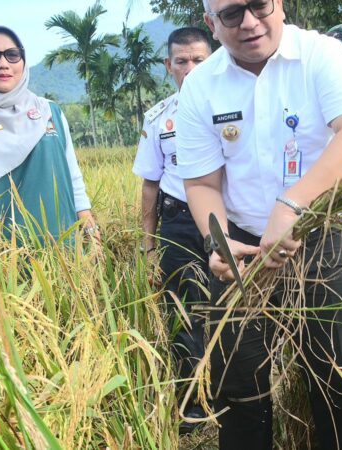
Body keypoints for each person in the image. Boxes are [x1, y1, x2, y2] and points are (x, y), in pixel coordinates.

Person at [177, 0, 342, 448]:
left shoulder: (321, 55)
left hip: (330, 234)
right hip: (244, 249)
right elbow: (201, 183)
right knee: (238, 385)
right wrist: (218, 241)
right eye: (232, 14)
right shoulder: (200, 85)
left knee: (339, 380)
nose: (250, 22)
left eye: (259, 5)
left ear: (281, 5)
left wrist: (291, 206)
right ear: (212, 24)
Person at [0, 26, 97, 244]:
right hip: (1, 258)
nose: (3, 64)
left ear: (23, 60)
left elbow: (73, 178)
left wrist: (91, 232)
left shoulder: (49, 112)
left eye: (12, 55)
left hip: (65, 252)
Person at [131, 26, 212, 433]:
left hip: (228, 220)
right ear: (168, 65)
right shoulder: (158, 118)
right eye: (182, 61)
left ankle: (235, 395)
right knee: (184, 310)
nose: (191, 68)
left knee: (235, 306)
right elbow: (149, 184)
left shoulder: (239, 105)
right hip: (178, 221)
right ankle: (194, 402)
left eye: (199, 59)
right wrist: (149, 248)